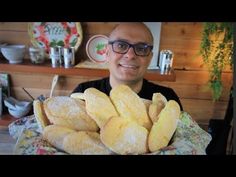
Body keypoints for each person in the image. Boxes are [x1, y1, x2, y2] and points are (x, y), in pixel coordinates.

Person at [72, 22, 183, 110]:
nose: (130, 55)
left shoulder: (167, 101)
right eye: (121, 45)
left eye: (141, 48)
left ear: (150, 58)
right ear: (107, 52)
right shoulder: (83, 94)